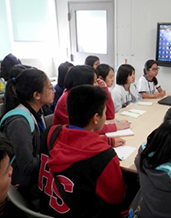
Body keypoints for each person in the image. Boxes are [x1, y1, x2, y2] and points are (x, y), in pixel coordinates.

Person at [39, 85, 126, 217]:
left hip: (45, 208)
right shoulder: (104, 156)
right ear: (96, 118)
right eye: (104, 111)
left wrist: (108, 141)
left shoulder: (50, 134)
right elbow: (117, 198)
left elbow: (77, 140)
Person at [0, 69, 54, 202]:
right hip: (25, 186)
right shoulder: (19, 122)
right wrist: (54, 154)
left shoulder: (37, 112)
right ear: (36, 95)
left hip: (37, 176)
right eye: (50, 88)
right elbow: (27, 166)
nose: (54, 91)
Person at [53, 65, 127, 146]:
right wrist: (114, 129)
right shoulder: (69, 100)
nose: (97, 84)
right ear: (84, 83)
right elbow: (84, 131)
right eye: (95, 81)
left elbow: (110, 115)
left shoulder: (83, 96)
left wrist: (104, 89)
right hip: (69, 143)